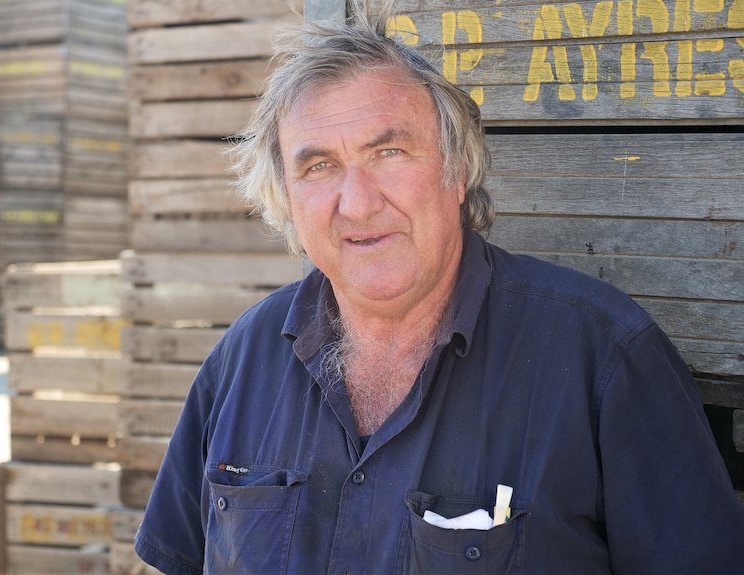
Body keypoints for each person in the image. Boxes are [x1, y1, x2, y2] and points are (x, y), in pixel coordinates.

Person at [134, 2, 744, 573]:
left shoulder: (605, 360)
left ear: (457, 169)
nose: (358, 202)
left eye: (390, 151)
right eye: (318, 166)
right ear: (286, 199)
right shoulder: (243, 356)